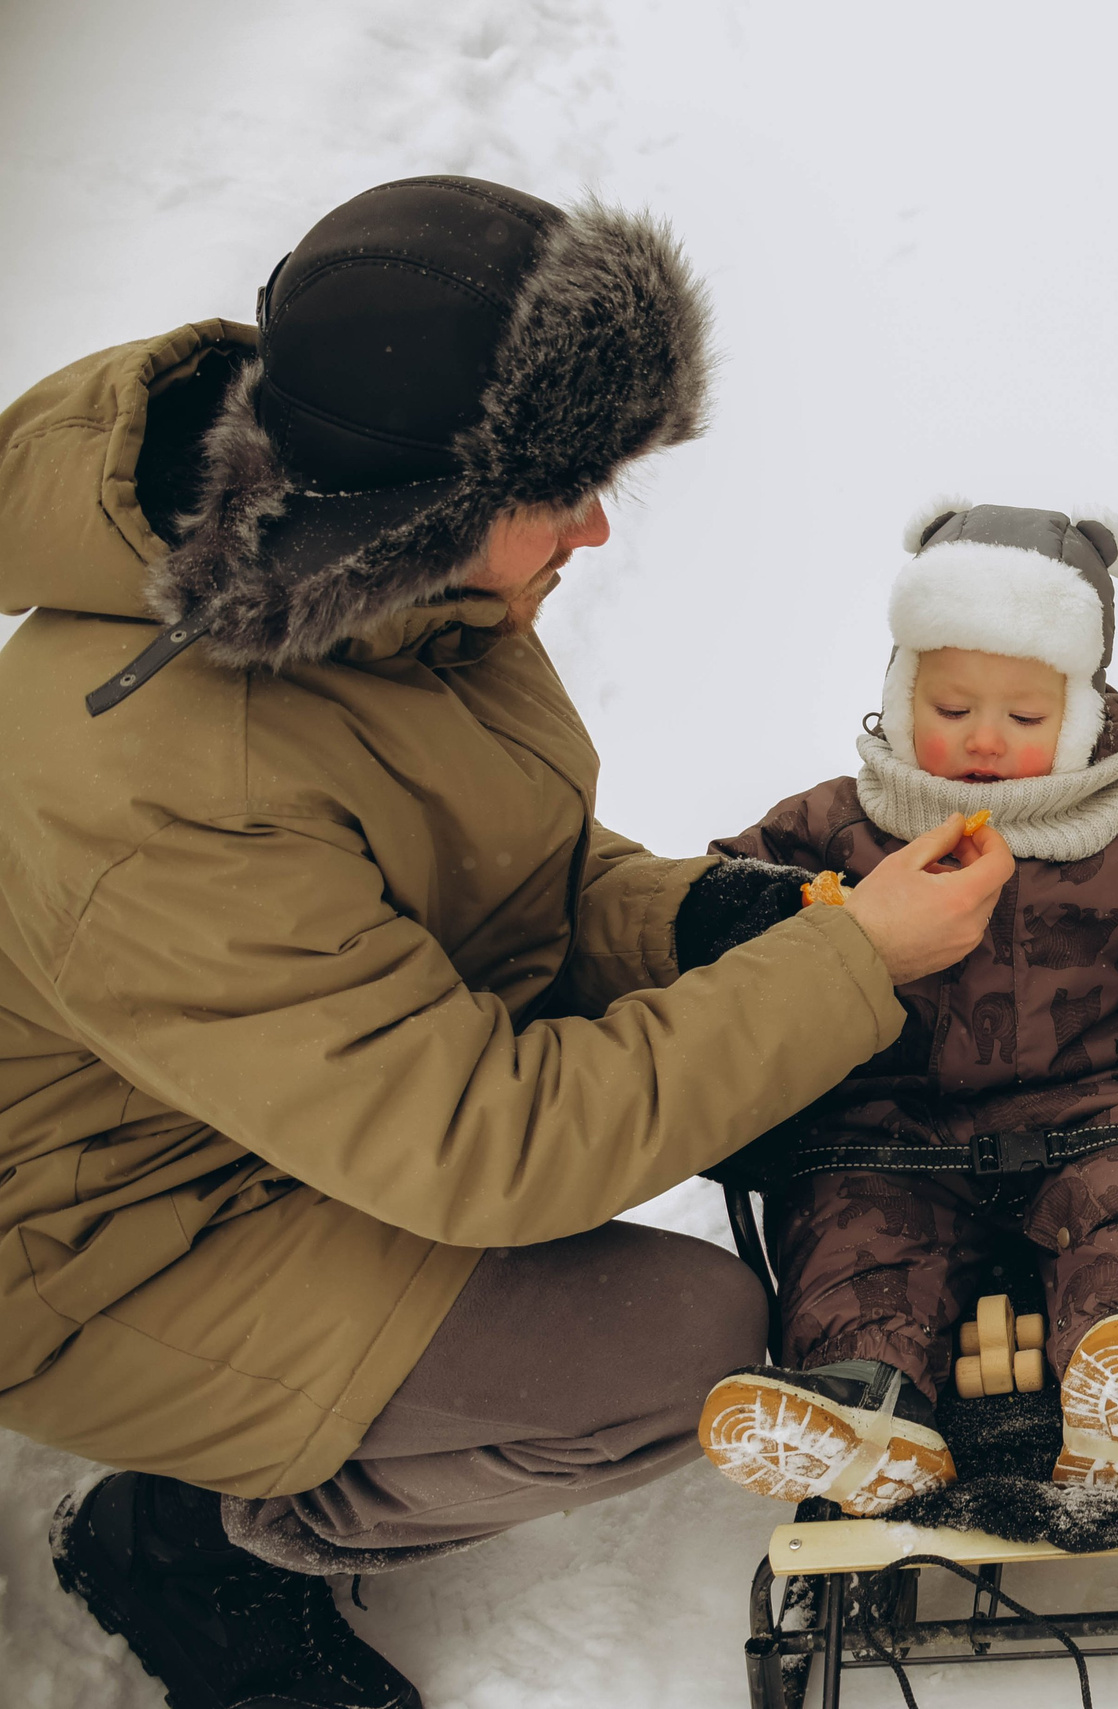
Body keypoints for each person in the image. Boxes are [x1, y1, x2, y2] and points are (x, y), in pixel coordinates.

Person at [0, 177, 1012, 1709]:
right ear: (420, 504)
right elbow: (491, 1145)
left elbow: (474, 870)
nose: (598, 527)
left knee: (789, 1056)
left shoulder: (377, 579)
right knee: (683, 1352)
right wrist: (846, 967)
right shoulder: (178, 788)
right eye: (564, 489)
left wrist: (695, 923)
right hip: (115, 1236)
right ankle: (189, 1539)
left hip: (292, 1104)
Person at [675, 500, 1118, 1516]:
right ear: (903, 696)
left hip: (1097, 1113)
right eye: (950, 709)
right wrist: (742, 911)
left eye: (1026, 718)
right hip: (886, 1133)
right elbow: (723, 892)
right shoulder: (838, 826)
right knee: (854, 1247)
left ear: (1080, 713)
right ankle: (867, 1410)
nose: (984, 739)